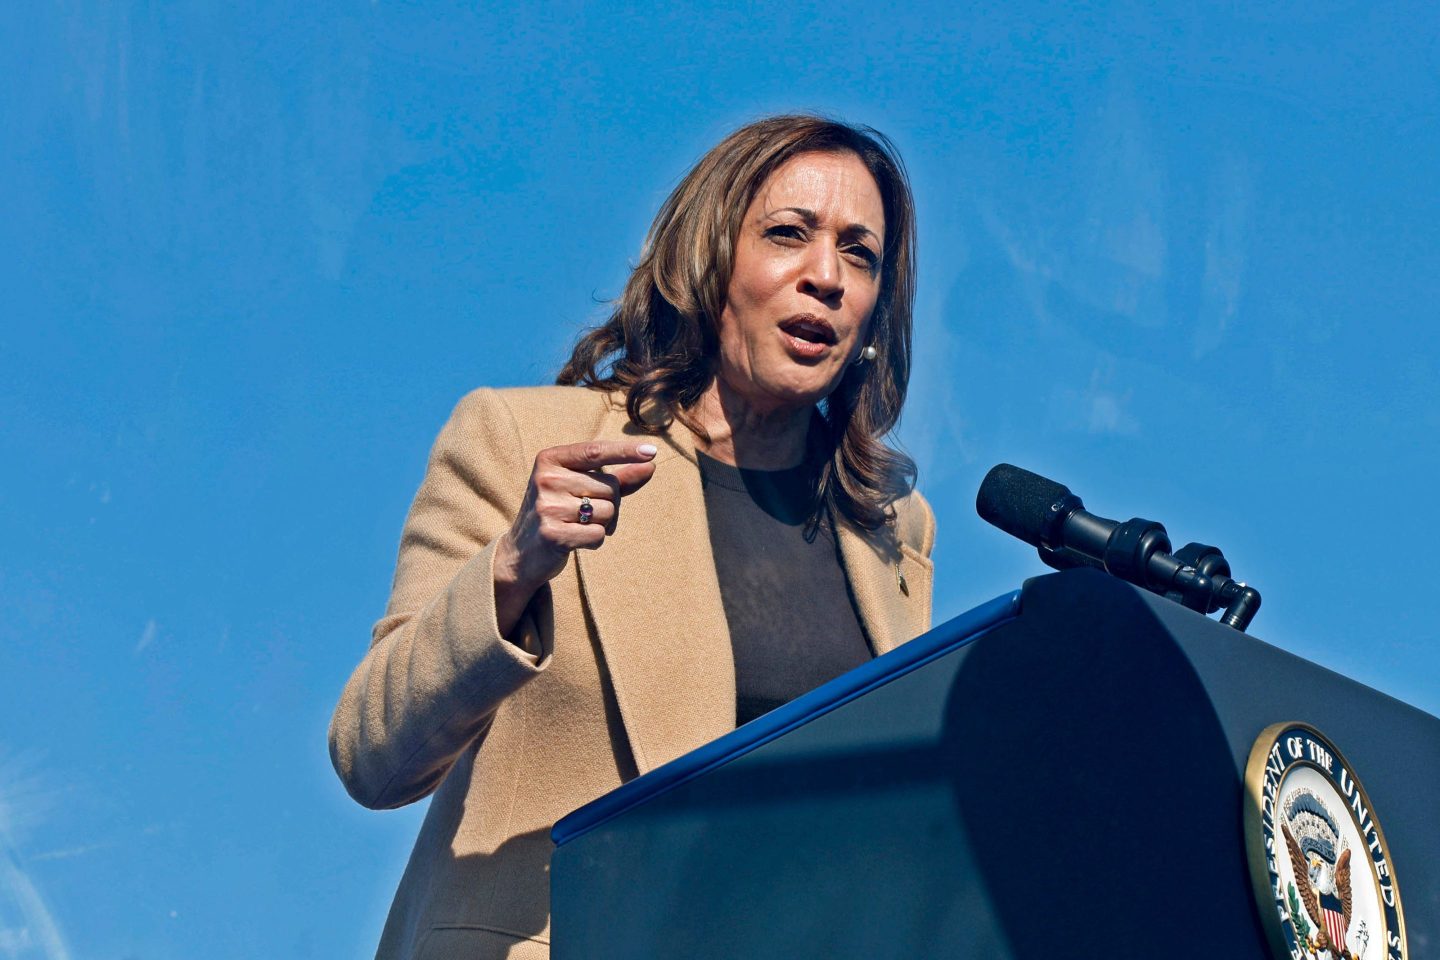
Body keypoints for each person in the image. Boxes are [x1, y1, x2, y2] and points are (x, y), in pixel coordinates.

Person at [329, 114, 936, 960]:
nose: (826, 277)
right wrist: (510, 572)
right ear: (709, 259)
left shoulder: (888, 529)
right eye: (787, 235)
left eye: (860, 254)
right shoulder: (520, 440)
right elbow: (371, 753)